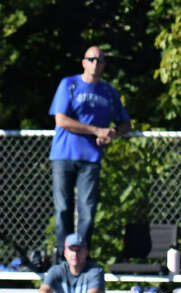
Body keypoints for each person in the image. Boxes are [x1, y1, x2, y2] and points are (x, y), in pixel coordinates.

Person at [48, 45, 131, 251]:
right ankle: (63, 257)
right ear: (84, 62)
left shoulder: (109, 92)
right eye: (92, 59)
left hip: (91, 158)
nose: (96, 63)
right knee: (63, 209)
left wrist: (111, 132)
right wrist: (96, 130)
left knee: (87, 210)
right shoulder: (69, 84)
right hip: (64, 155)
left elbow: (125, 124)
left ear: (104, 65)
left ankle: (82, 255)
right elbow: (62, 120)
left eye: (100, 60)